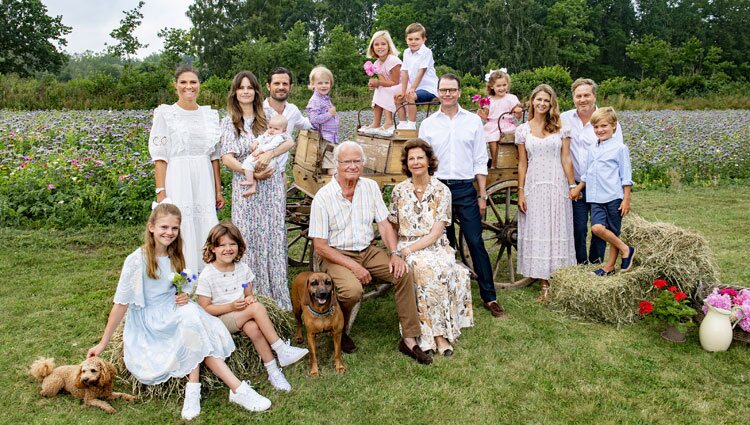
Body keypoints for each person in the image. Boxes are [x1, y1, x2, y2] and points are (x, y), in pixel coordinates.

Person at [87, 204, 271, 421]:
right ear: (151, 227)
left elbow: (179, 288)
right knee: (191, 323)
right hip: (151, 319)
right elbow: (120, 304)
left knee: (191, 320)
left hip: (175, 309)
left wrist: (182, 296)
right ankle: (233, 389)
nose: (169, 232)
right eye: (164, 227)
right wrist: (103, 342)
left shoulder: (176, 255)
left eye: (174, 228)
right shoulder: (136, 260)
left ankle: (203, 389)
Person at [308, 141, 432, 365]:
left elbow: (384, 225)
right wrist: (354, 266)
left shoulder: (370, 187)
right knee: (353, 290)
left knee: (403, 273)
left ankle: (410, 339)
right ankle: (340, 329)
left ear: (363, 163)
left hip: (367, 250)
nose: (352, 166)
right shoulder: (323, 197)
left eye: (357, 161)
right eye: (347, 162)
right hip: (337, 255)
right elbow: (320, 246)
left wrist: (394, 253)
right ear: (336, 165)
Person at [418, 74, 506, 318]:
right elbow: (422, 161)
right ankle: (449, 294)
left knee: (475, 241)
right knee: (445, 244)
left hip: (465, 188)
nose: (448, 94)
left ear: (459, 92)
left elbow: (480, 159)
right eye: (444, 90)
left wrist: (482, 194)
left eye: (452, 90)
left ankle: (489, 297)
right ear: (438, 92)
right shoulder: (428, 124)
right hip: (438, 189)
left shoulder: (472, 122)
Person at [196, 222, 309, 392]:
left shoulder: (242, 268)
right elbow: (205, 308)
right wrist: (232, 306)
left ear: (239, 246)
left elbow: (248, 294)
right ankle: (280, 348)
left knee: (253, 328)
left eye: (232, 244)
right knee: (256, 308)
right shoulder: (208, 274)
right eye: (222, 245)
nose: (228, 249)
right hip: (219, 320)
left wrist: (249, 299)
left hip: (241, 316)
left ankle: (273, 371)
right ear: (213, 248)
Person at [389, 138, 473, 356]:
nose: (416, 162)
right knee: (423, 270)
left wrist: (411, 249)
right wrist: (400, 249)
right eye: (411, 159)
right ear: (406, 164)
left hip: (435, 245)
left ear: (429, 161)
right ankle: (435, 337)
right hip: (407, 243)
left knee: (441, 268)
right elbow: (393, 223)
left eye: (420, 158)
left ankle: (436, 335)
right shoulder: (399, 191)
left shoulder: (442, 190)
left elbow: (436, 232)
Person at [220, 70, 293, 310]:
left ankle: (277, 302)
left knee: (272, 239)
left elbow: (289, 141)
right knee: (248, 239)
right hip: (245, 187)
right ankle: (251, 299)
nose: (245, 91)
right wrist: (248, 171)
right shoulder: (229, 121)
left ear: (256, 91)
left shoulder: (269, 114)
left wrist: (270, 154)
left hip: (271, 188)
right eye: (241, 87)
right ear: (235, 92)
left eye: (249, 87)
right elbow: (227, 158)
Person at [148, 65, 223, 273]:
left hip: (204, 177)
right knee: (181, 222)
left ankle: (207, 275)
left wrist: (218, 189)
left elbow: (214, 157)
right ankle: (180, 274)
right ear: (176, 85)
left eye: (193, 82)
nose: (188, 87)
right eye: (183, 82)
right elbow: (160, 157)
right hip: (178, 175)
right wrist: (161, 192)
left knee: (205, 222)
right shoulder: (166, 114)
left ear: (199, 85)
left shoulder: (210, 116)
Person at [515, 84, 577, 302]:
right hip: (534, 184)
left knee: (556, 227)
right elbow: (522, 163)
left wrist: (572, 185)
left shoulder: (562, 129)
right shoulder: (523, 130)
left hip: (557, 183)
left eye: (546, 101)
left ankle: (558, 278)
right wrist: (521, 191)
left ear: (552, 104)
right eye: (538, 99)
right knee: (539, 227)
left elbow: (566, 158)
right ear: (532, 101)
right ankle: (543, 282)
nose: (542, 104)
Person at [561, 79, 623, 265]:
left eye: (586, 95)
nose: (582, 100)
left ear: (594, 96)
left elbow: (615, 154)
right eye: (578, 96)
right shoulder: (565, 118)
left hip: (600, 184)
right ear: (573, 98)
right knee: (578, 227)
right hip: (575, 183)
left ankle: (596, 261)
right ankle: (580, 263)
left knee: (600, 226)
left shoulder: (606, 120)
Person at [570, 107, 635, 276]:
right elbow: (588, 172)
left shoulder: (620, 148)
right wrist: (578, 188)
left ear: (614, 126)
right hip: (596, 197)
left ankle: (609, 266)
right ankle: (626, 249)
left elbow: (626, 175)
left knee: (613, 231)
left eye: (604, 126)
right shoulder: (593, 148)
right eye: (596, 127)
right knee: (597, 228)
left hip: (613, 196)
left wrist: (626, 198)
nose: (600, 130)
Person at [395, 22, 439, 130]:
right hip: (415, 88)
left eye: (417, 39)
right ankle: (402, 123)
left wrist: (412, 89)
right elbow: (404, 72)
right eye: (410, 39)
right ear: (406, 39)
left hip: (428, 88)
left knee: (410, 96)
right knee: (397, 97)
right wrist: (403, 90)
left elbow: (421, 71)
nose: (413, 42)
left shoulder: (426, 52)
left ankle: (411, 124)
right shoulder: (406, 52)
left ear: (424, 39)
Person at [360, 30, 402, 137]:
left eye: (383, 44)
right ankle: (376, 122)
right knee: (379, 89)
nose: (380, 47)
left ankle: (389, 122)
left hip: (402, 86)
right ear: (372, 47)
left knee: (384, 89)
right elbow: (382, 81)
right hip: (390, 86)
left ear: (389, 46)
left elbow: (395, 82)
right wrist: (374, 83)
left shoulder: (393, 60)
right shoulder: (377, 63)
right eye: (376, 44)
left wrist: (379, 83)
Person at [477, 69, 521, 168]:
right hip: (493, 125)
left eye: (504, 85)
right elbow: (487, 117)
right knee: (492, 140)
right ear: (492, 86)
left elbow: (517, 117)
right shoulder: (489, 100)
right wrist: (481, 114)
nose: (502, 88)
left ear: (508, 85)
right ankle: (495, 163)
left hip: (506, 124)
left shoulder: (511, 98)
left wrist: (518, 111)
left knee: (508, 141)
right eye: (498, 86)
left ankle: (509, 161)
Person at [240, 114, 289, 195]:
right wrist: (255, 142)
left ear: (284, 131)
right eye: (270, 127)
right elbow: (261, 137)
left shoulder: (279, 137)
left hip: (268, 161)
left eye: (276, 129)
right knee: (247, 165)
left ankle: (250, 181)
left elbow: (272, 145)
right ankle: (252, 185)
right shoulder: (268, 134)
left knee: (249, 164)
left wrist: (260, 150)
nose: (272, 130)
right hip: (260, 158)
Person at [305, 65, 340, 174]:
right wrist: (329, 114)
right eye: (320, 83)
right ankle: (333, 184)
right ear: (313, 85)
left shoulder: (324, 98)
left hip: (330, 136)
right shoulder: (315, 100)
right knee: (331, 164)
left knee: (333, 159)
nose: (324, 86)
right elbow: (314, 119)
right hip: (324, 138)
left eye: (326, 83)